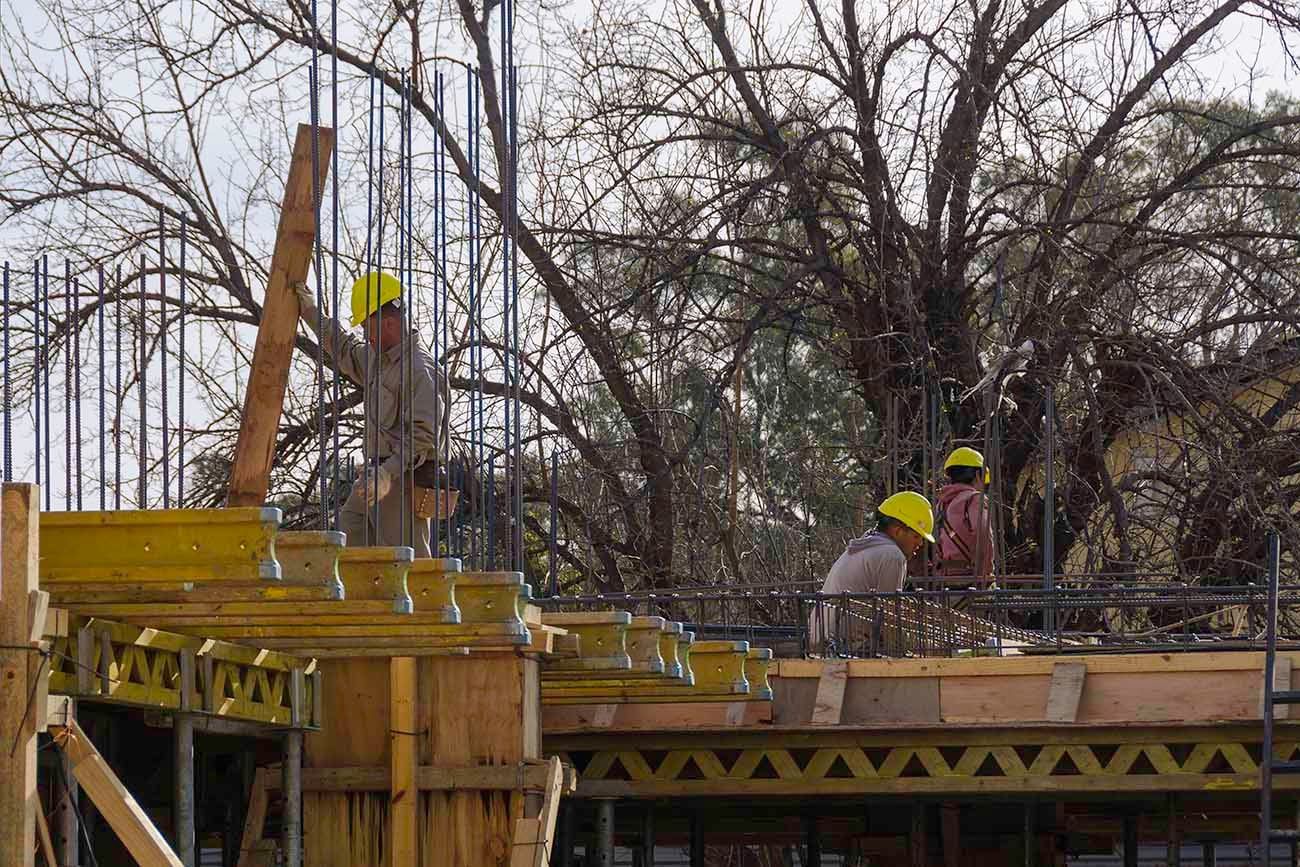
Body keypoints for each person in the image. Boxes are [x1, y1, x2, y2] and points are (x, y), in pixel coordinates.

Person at [293, 272, 451, 557]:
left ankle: (423, 602)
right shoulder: (379, 360)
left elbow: (422, 437)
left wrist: (386, 475)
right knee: (351, 529)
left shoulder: (419, 370)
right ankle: (364, 599)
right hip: (378, 473)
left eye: (368, 327)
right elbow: (344, 347)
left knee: (405, 559)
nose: (366, 335)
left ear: (388, 323)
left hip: (403, 478)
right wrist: (309, 312)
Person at [810, 491, 936, 653]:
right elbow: (888, 618)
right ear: (898, 531)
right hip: (841, 646)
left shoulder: (867, 545)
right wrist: (905, 653)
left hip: (820, 639)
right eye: (917, 536)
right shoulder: (892, 555)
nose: (920, 544)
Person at [935, 447, 995, 585]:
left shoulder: (942, 504)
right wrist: (985, 574)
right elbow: (984, 534)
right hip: (969, 580)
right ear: (978, 475)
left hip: (944, 580)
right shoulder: (974, 499)